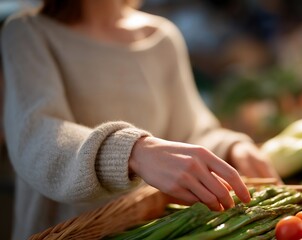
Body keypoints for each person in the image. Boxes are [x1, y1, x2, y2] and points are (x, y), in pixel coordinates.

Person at [1, 0, 281, 238]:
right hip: (62, 230)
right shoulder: (26, 32)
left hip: (152, 225)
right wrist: (132, 152)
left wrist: (230, 147)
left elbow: (190, 131)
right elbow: (37, 138)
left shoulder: (162, 36)